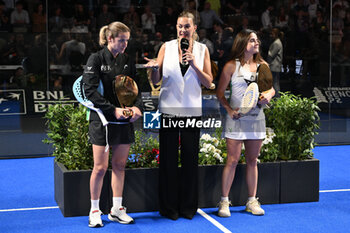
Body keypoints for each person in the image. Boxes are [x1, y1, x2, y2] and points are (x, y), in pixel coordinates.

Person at [144, 11, 213, 220]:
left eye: (186, 26)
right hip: (169, 109)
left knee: (190, 159)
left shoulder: (202, 50)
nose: (183, 30)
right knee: (168, 160)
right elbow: (156, 80)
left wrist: (194, 65)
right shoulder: (166, 47)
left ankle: (188, 207)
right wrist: (155, 68)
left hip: (192, 109)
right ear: (176, 27)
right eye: (179, 26)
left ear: (194, 28)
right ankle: (168, 208)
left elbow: (208, 82)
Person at [82, 21, 142, 227]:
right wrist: (112, 110)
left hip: (123, 120)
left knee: (119, 165)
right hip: (101, 120)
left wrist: (137, 108)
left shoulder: (127, 60)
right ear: (110, 39)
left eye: (127, 40)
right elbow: (89, 91)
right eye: (122, 40)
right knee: (100, 167)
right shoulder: (96, 59)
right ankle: (95, 211)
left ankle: (116, 209)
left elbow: (136, 89)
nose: (125, 44)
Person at [216, 29, 275, 217]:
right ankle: (224, 202)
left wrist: (268, 96)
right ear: (242, 43)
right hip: (236, 120)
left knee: (252, 160)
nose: (256, 43)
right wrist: (229, 110)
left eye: (257, 40)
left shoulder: (263, 65)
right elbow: (219, 93)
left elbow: (271, 88)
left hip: (257, 119)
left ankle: (252, 200)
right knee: (232, 160)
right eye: (252, 40)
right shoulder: (231, 67)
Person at [267, 28, 283, 98]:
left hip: (274, 66)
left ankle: (277, 98)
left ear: (276, 34)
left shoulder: (276, 43)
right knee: (275, 83)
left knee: (275, 84)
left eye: (272, 34)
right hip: (275, 66)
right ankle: (276, 98)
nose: (271, 35)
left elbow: (271, 54)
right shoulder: (277, 42)